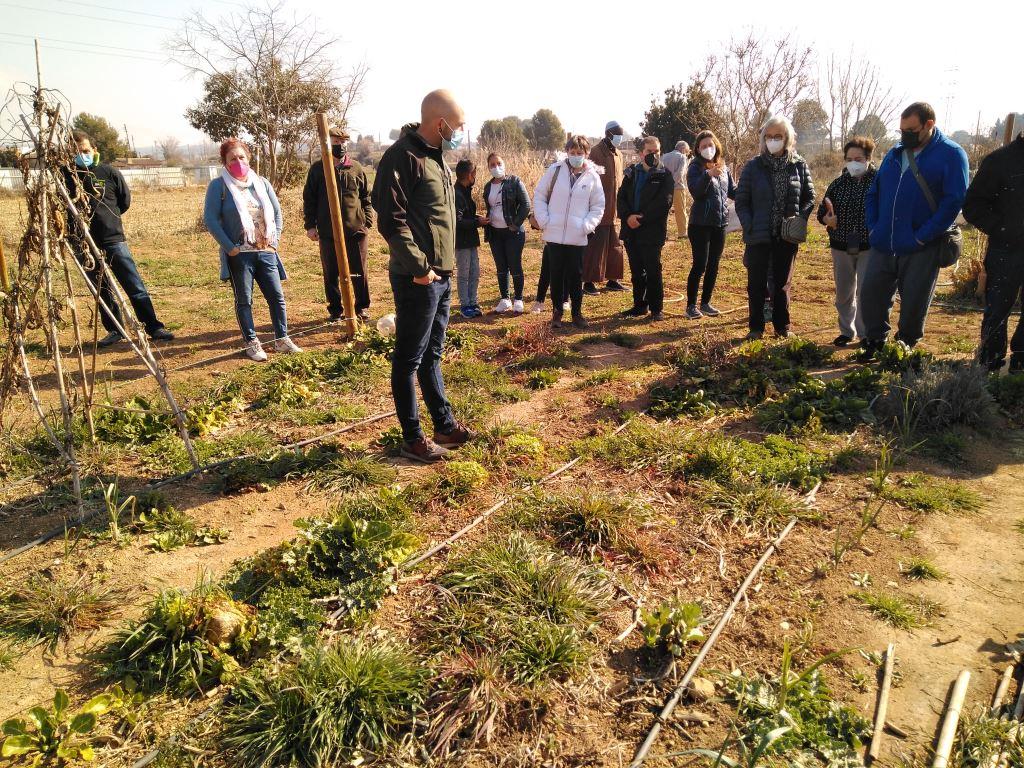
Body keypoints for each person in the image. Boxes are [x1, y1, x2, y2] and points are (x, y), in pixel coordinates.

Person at [371, 89, 473, 464]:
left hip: (440, 276)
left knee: (432, 354)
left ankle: (444, 426)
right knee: (409, 358)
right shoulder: (402, 157)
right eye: (458, 125)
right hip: (418, 278)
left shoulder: (437, 158)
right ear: (439, 123)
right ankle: (412, 437)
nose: (461, 132)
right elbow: (391, 221)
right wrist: (420, 269)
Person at [860, 102, 970, 358]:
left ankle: (905, 346)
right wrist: (874, 227)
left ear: (929, 125)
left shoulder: (952, 154)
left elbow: (953, 202)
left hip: (921, 245)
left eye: (910, 130)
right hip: (884, 241)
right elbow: (874, 192)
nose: (904, 135)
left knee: (914, 299)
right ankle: (874, 341)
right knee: (871, 294)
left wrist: (922, 236)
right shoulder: (895, 153)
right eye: (901, 130)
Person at [64, 131, 174, 347]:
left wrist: (107, 221)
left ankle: (153, 326)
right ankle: (116, 329)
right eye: (76, 152)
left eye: (85, 151)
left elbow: (124, 202)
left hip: (113, 239)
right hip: (83, 244)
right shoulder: (66, 177)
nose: (82, 155)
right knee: (100, 290)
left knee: (134, 285)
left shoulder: (109, 172)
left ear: (94, 151)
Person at [204, 138, 301, 362]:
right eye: (232, 159)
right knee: (244, 300)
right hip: (240, 255)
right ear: (225, 162)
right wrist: (230, 248)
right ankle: (251, 342)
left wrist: (274, 242)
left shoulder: (262, 183)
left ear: (249, 159)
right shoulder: (218, 187)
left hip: (265, 251)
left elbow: (277, 213)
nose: (238, 162)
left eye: (242, 157)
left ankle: (282, 339)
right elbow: (210, 219)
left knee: (277, 297)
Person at [735, 116, 815, 340]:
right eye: (769, 136)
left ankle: (783, 327)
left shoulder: (798, 165)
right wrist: (749, 225)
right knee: (756, 285)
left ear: (787, 138)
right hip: (758, 234)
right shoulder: (753, 166)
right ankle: (756, 328)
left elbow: (809, 197)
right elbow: (742, 201)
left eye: (778, 136)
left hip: (786, 236)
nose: (773, 140)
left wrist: (799, 220)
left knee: (781, 284)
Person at [963, 126, 1024, 372]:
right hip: (1006, 249)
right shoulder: (1000, 161)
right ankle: (990, 361)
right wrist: (1003, 229)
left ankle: (1020, 357)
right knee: (997, 308)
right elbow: (973, 206)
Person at [302, 125, 373, 323]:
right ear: (327, 143)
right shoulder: (318, 169)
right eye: (335, 142)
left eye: (343, 142)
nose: (339, 145)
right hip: (327, 231)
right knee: (331, 272)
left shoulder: (356, 168)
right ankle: (335, 310)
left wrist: (366, 222)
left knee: (359, 270)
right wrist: (310, 225)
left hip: (355, 231)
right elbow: (310, 199)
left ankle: (362, 307)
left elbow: (366, 196)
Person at [533, 135, 605, 329]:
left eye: (579, 153)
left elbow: (597, 206)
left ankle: (577, 313)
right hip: (554, 233)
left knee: (576, 275)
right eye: (572, 152)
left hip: (577, 235)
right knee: (555, 274)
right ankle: (557, 312)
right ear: (567, 152)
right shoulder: (555, 171)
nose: (576, 156)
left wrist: (586, 226)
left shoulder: (592, 177)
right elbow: (540, 195)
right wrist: (544, 220)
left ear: (586, 154)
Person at [816, 136, 877, 347]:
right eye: (849, 158)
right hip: (841, 245)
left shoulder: (879, 182)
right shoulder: (837, 184)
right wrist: (827, 219)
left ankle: (865, 333)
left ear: (868, 158)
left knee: (865, 292)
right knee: (844, 292)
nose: (853, 163)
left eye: (858, 158)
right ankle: (846, 330)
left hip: (869, 246)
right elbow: (822, 212)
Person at [617, 136, 674, 321]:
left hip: (652, 231)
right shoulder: (631, 173)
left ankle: (656, 309)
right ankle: (639, 306)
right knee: (636, 271)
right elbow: (621, 197)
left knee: (653, 270)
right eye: (650, 151)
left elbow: (664, 202)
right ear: (642, 153)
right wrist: (627, 217)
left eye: (656, 151)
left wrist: (642, 218)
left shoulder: (665, 175)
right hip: (631, 230)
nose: (653, 155)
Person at [686, 130, 736, 319]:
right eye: (704, 146)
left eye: (710, 144)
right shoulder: (695, 168)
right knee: (700, 264)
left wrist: (750, 194)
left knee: (714, 265)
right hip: (700, 224)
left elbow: (732, 191)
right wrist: (708, 175)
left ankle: (705, 302)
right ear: (698, 149)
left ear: (716, 146)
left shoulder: (724, 168)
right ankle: (691, 305)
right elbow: (696, 192)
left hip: (720, 223)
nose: (708, 148)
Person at [482, 152, 531, 314]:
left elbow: (525, 205)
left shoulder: (514, 182)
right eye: (492, 165)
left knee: (515, 265)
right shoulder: (488, 186)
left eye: (499, 163)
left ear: (504, 164)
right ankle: (505, 299)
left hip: (513, 233)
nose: (496, 167)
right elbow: (491, 207)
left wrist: (515, 224)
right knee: (501, 267)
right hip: (495, 233)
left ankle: (518, 299)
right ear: (488, 167)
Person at [582, 120, 626, 295]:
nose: (619, 137)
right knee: (595, 248)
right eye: (617, 134)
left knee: (615, 247)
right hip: (599, 209)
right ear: (608, 134)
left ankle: (612, 279)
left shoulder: (619, 154)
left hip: (615, 209)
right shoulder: (595, 152)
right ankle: (589, 282)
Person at [453, 159, 484, 318]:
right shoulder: (457, 193)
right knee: (464, 273)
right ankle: (465, 305)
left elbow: (467, 215)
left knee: (475, 272)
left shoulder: (465, 190)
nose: (475, 177)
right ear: (469, 175)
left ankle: (473, 302)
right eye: (474, 174)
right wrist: (477, 222)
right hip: (462, 241)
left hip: (471, 240)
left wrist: (477, 218)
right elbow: (457, 222)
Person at [661, 140, 691, 239]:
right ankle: (682, 233)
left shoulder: (664, 157)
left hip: (664, 188)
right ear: (682, 149)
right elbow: (680, 173)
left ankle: (663, 233)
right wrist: (672, 183)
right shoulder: (682, 157)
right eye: (686, 151)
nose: (686, 153)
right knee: (681, 210)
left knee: (664, 210)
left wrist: (666, 184)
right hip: (678, 187)